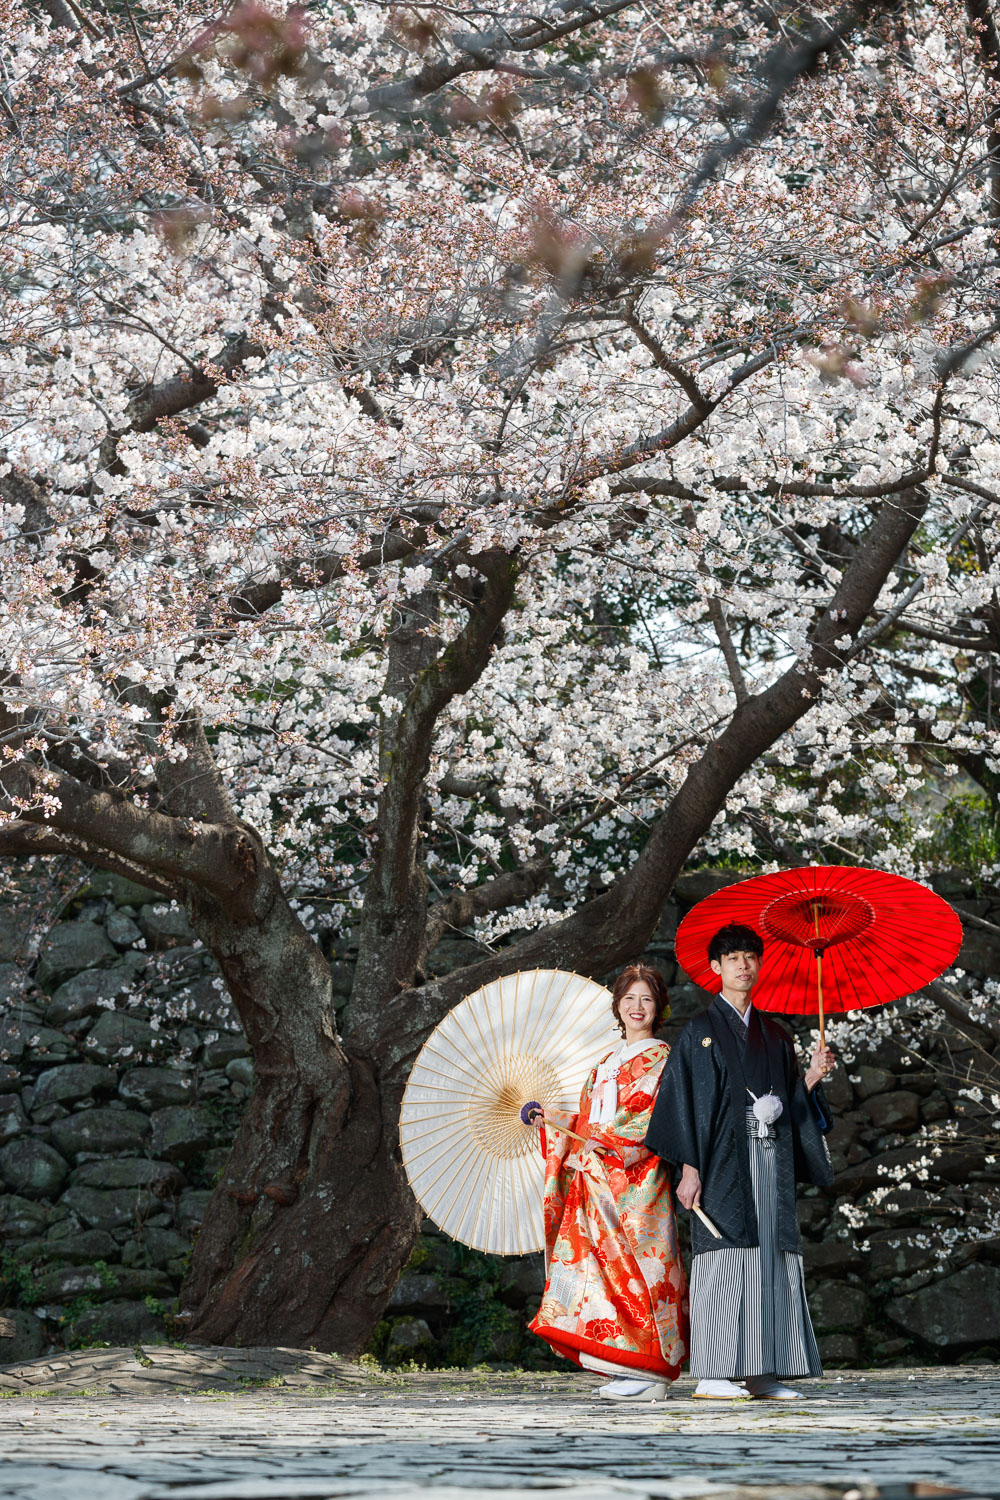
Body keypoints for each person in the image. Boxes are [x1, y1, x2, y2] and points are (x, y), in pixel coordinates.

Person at [645, 923, 836, 1401]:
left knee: (769, 1255)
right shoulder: (700, 1032)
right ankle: (714, 1370)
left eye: (750, 957)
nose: (743, 965)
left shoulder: (776, 1036)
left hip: (770, 1158)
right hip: (720, 1162)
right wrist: (690, 1168)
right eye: (733, 958)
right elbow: (685, 1104)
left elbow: (789, 1104)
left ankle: (762, 1372)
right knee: (723, 1257)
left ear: (759, 964)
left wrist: (811, 1078)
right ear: (716, 967)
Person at [528, 963, 689, 1402]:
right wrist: (551, 1120)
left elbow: (654, 1118)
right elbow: (587, 1120)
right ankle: (623, 1363)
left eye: (647, 999)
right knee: (598, 1272)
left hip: (636, 1181)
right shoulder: (605, 1062)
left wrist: (608, 1142)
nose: (637, 1007)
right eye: (629, 998)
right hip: (595, 1176)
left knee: (642, 1270)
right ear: (617, 1005)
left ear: (659, 1007)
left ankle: (652, 1368)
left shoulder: (663, 1059)